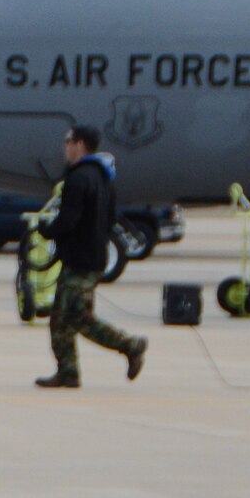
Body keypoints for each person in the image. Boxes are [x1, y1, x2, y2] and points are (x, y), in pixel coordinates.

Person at [35, 125, 146, 388]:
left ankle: (130, 345)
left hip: (81, 260)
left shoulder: (78, 178)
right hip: (90, 256)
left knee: (79, 317)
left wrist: (47, 230)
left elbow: (69, 219)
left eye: (68, 141)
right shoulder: (102, 177)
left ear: (80, 144)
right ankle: (68, 371)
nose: (65, 146)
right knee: (60, 318)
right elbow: (108, 219)